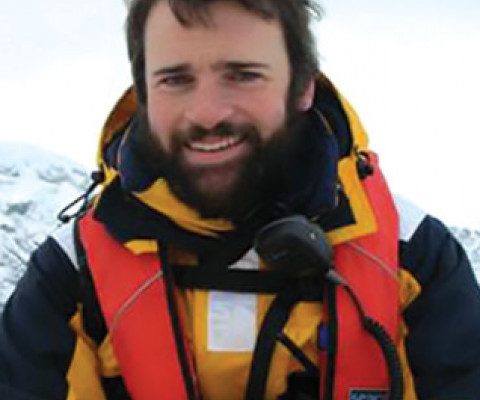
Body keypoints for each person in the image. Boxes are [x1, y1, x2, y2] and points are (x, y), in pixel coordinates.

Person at [1, 0, 480, 399]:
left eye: (243, 75)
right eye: (175, 79)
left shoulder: (413, 258)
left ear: (303, 86)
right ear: (143, 94)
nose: (207, 114)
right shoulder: (70, 278)